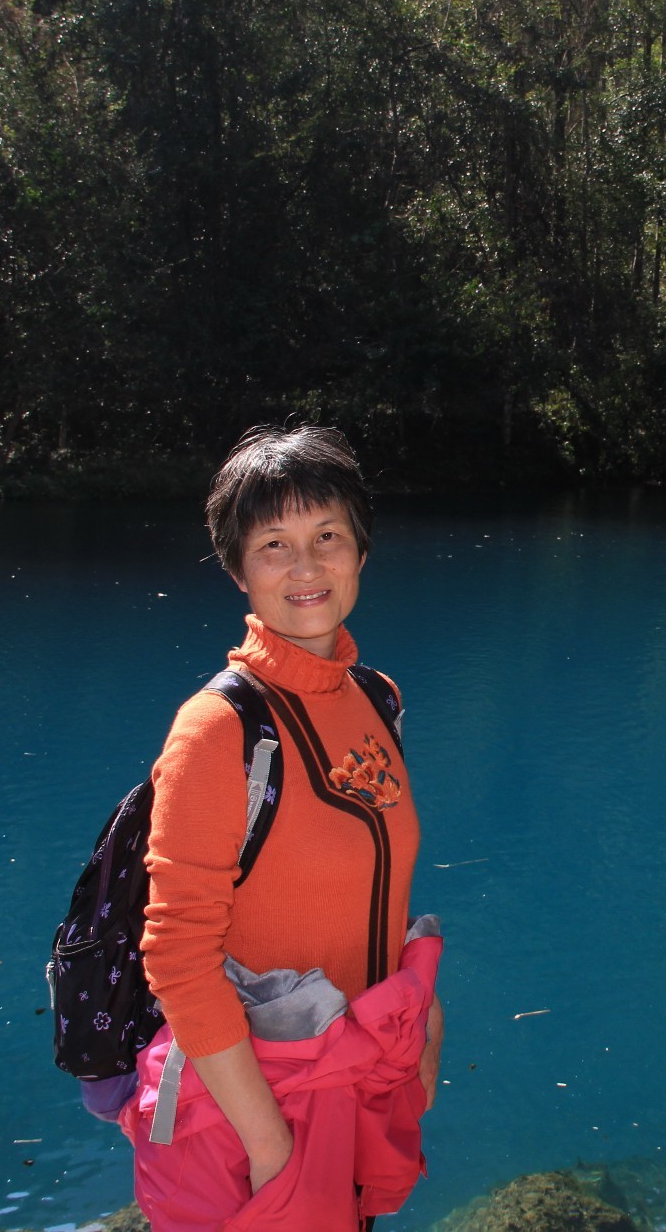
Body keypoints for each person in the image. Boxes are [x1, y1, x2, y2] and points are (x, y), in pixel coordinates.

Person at [130, 425, 443, 1231]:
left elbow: (371, 882)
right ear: (238, 568)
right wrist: (272, 1146)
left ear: (361, 551)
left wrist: (419, 1031)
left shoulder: (377, 698)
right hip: (252, 1119)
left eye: (327, 536)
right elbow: (175, 956)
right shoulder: (218, 729)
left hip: (355, 1088)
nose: (306, 567)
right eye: (274, 543)